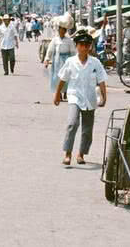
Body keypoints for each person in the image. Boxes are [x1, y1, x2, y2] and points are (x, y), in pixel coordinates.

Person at [54, 30, 108, 166]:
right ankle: (67, 153)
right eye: (81, 44)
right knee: (72, 123)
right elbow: (62, 79)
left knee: (87, 128)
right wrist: (57, 95)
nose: (83, 47)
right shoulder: (70, 61)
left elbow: (101, 80)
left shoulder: (95, 63)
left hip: (90, 98)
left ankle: (81, 154)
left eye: (86, 45)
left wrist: (103, 97)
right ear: (77, 46)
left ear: (90, 46)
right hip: (74, 96)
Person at [44, 17, 76, 100]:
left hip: (67, 60)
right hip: (57, 61)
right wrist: (47, 59)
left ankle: (66, 92)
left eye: (63, 30)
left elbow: (73, 51)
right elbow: (50, 50)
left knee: (67, 76)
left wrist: (75, 61)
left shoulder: (69, 40)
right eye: (60, 30)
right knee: (57, 77)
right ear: (58, 30)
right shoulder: (55, 40)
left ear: (65, 31)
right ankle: (59, 94)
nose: (62, 31)